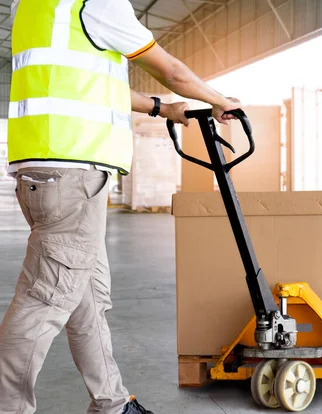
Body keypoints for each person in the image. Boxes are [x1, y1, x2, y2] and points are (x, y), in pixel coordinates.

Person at [0, 0, 242, 413]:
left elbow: (92, 83)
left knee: (86, 297)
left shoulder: (36, 6)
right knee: (45, 300)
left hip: (48, 170)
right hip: (72, 173)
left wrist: (164, 109)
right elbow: (172, 71)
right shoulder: (96, 2)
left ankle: (111, 404)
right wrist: (219, 100)